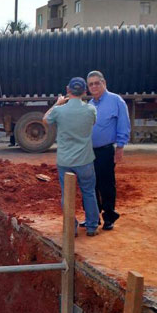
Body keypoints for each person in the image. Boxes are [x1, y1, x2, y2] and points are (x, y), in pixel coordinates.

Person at [43, 77, 99, 236]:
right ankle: (92, 227)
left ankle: (71, 226)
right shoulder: (90, 110)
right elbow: (92, 123)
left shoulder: (59, 111)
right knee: (89, 192)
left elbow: (45, 120)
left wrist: (58, 103)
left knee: (67, 194)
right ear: (85, 91)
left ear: (68, 90)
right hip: (85, 160)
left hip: (65, 161)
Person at [84, 70, 131, 231]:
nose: (94, 86)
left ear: (104, 83)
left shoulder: (116, 101)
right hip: (89, 152)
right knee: (91, 185)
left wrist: (120, 147)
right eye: (91, 84)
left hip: (106, 151)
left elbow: (124, 124)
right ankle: (93, 217)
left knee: (107, 185)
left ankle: (109, 217)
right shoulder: (89, 105)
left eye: (97, 83)